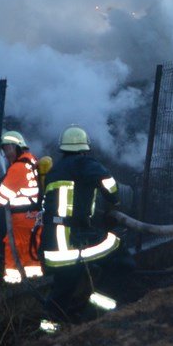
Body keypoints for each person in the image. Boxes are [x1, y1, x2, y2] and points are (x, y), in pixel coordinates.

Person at [38, 125, 122, 333]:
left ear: (63, 149)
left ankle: (47, 333)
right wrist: (115, 201)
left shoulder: (54, 170)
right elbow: (108, 183)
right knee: (121, 257)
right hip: (71, 239)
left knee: (65, 284)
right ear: (84, 149)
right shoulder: (85, 163)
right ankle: (94, 314)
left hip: (51, 242)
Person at [0, 130, 42, 284]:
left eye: (7, 148)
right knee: (31, 248)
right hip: (35, 216)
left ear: (17, 147)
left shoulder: (17, 168)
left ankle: (12, 284)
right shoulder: (33, 161)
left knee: (13, 246)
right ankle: (33, 282)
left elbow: (1, 199)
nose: (6, 154)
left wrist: (2, 184)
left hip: (21, 219)